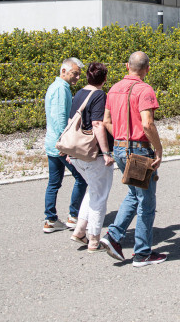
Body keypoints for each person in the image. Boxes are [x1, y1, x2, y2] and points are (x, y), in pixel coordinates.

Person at [100, 51, 166, 267]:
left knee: (134, 194)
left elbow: (106, 121)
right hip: (138, 149)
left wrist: (120, 136)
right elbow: (147, 124)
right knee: (146, 202)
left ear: (126, 66)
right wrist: (158, 149)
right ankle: (142, 252)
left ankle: (114, 236)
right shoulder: (145, 90)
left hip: (119, 146)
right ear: (147, 69)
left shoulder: (114, 88)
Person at [66, 62, 114, 252]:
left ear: (87, 76)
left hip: (77, 153)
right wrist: (106, 152)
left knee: (92, 190)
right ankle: (94, 239)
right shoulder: (99, 95)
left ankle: (79, 230)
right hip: (93, 153)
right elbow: (97, 124)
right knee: (99, 196)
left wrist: (70, 151)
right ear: (104, 78)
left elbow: (71, 122)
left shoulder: (79, 94)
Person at [43, 57, 88, 233]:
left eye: (78, 74)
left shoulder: (54, 86)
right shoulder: (62, 89)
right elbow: (61, 119)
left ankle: (50, 219)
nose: (77, 77)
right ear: (64, 71)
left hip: (51, 142)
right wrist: (65, 146)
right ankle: (74, 215)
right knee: (82, 178)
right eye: (74, 73)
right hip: (60, 144)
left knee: (54, 182)